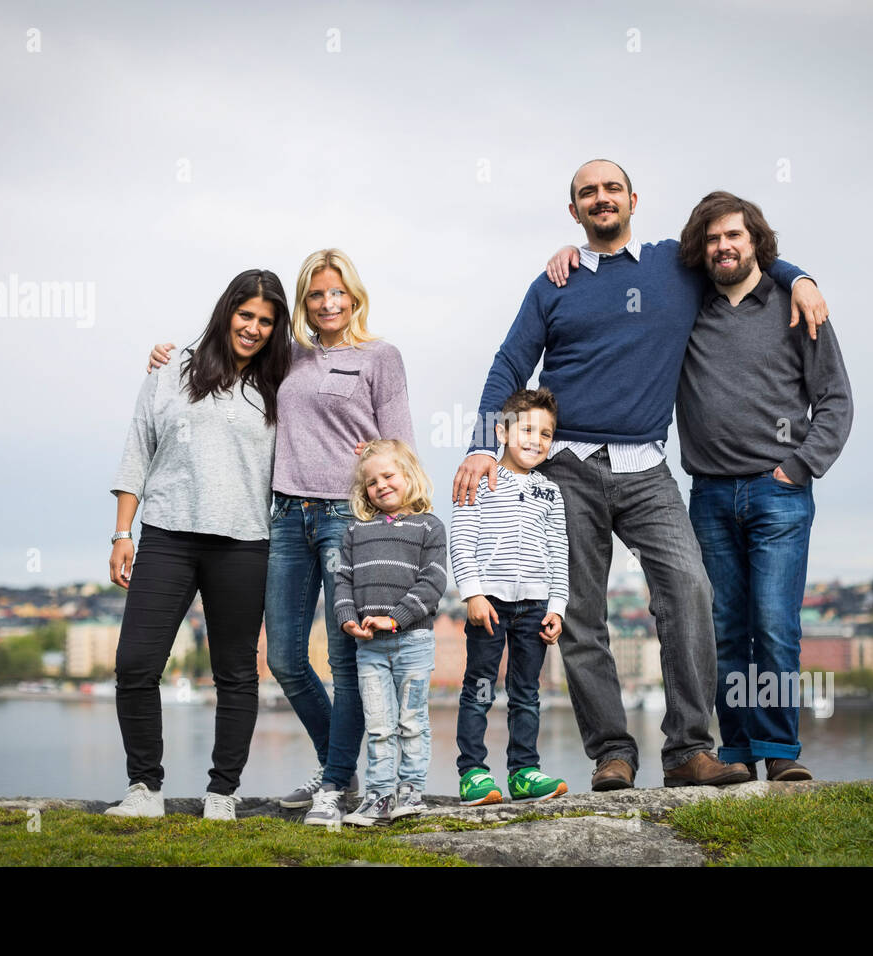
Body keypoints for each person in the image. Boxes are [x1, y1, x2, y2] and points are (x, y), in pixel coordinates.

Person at [453, 159, 830, 792]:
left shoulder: (671, 268)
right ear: (574, 211)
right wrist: (480, 445)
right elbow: (510, 362)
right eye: (586, 194)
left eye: (610, 189)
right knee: (577, 611)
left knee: (690, 590)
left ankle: (687, 750)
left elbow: (735, 255)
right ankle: (612, 753)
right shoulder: (553, 282)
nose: (600, 199)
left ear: (633, 199)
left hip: (647, 469)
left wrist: (801, 277)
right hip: (566, 467)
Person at [147, 249, 415, 817]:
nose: (327, 303)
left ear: (355, 296)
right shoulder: (285, 357)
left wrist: (396, 525)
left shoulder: (381, 356)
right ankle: (336, 767)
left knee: (346, 663)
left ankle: (336, 779)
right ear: (304, 303)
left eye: (337, 292)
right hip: (287, 517)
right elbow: (227, 354)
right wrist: (166, 357)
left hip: (350, 519)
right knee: (286, 659)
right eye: (315, 295)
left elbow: (400, 450)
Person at [676, 191, 853, 782]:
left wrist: (799, 468)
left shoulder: (795, 306)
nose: (724, 246)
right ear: (701, 250)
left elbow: (835, 401)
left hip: (779, 493)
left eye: (735, 235)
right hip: (709, 496)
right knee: (725, 630)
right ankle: (735, 753)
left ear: (756, 243)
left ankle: (780, 754)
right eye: (712, 238)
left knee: (774, 626)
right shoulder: (686, 304)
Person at [107, 269, 292, 820]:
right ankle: (144, 788)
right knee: (135, 664)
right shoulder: (172, 368)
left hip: (244, 542)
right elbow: (137, 447)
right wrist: (123, 531)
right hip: (166, 535)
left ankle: (222, 793)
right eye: (246, 315)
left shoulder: (281, 384)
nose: (254, 329)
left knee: (235, 674)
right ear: (226, 311)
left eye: (266, 320)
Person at [450, 387, 569, 805]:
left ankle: (523, 770)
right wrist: (473, 595)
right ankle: (474, 773)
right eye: (528, 429)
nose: (536, 440)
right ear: (502, 432)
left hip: (535, 607)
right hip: (490, 605)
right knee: (480, 686)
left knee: (527, 691)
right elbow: (461, 542)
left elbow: (559, 553)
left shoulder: (551, 493)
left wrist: (557, 608)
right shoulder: (479, 481)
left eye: (547, 433)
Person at [331, 439, 447, 826]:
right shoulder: (355, 531)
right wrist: (347, 616)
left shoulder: (428, 526)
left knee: (411, 721)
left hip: (413, 642)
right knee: (379, 726)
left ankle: (410, 791)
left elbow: (432, 583)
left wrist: (395, 618)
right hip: (369, 648)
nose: (380, 485)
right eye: (371, 481)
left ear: (409, 475)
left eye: (388, 475)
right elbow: (342, 580)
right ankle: (378, 796)